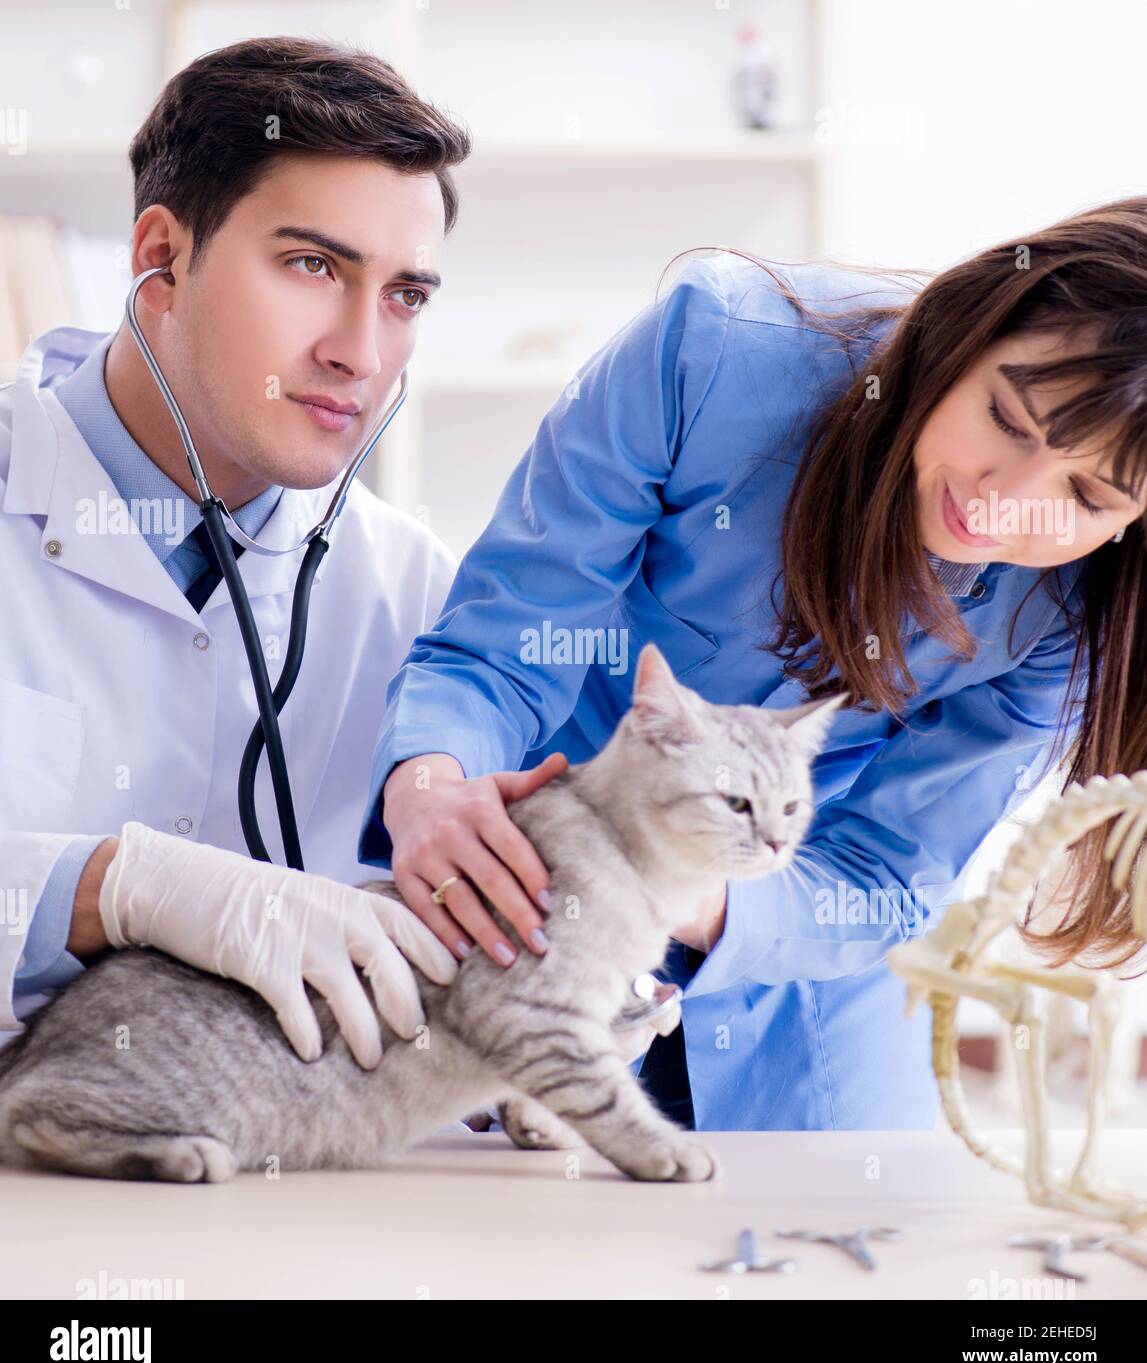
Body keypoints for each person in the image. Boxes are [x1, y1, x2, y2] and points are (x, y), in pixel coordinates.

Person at [361, 202, 1147, 1131]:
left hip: (803, 987)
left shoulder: (1075, 609)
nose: (1005, 502)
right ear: (963, 332)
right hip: (526, 896)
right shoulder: (718, 352)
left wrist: (688, 894)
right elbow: (505, 645)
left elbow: (892, 869)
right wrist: (430, 790)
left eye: (1087, 495)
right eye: (1005, 420)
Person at [0, 36, 573, 1072]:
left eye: (406, 296)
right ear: (160, 258)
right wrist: (109, 886)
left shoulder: (420, 597)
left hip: (296, 1201)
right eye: (313, 266)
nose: (360, 350)